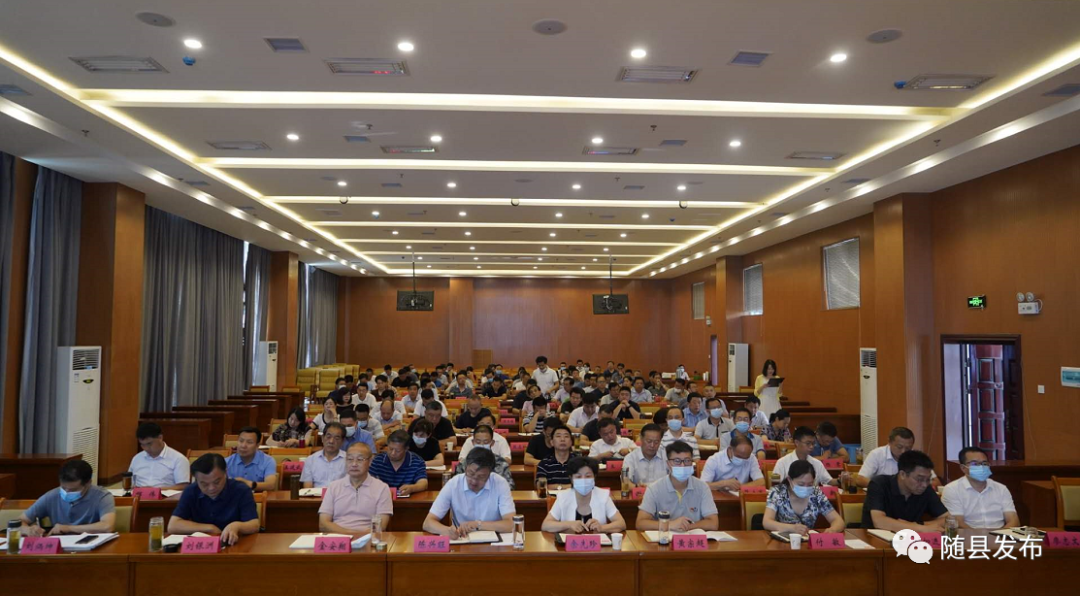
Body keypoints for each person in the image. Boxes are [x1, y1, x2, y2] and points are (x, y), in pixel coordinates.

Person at [168, 453, 260, 545]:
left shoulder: (241, 490)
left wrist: (237, 526)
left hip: (235, 544)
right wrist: (209, 528)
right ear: (195, 479)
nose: (211, 488)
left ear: (225, 473)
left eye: (217, 482)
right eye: (204, 484)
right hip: (203, 546)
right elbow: (173, 525)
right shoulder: (191, 491)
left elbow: (254, 524)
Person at [423, 448, 516, 537]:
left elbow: (511, 524)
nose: (474, 481)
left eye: (481, 477)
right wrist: (447, 531)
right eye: (470, 473)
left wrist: (478, 524)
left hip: (494, 541)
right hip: (462, 539)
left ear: (490, 473)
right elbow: (428, 523)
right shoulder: (453, 484)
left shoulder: (500, 483)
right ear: (465, 467)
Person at [637, 441, 719, 531]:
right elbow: (641, 523)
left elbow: (713, 523)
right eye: (677, 461)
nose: (682, 465)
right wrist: (670, 525)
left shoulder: (702, 487)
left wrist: (685, 526)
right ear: (668, 464)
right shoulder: (654, 488)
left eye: (687, 460)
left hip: (692, 537)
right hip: (665, 537)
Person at [19, 460, 114, 536]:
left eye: (73, 490)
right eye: (63, 488)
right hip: (60, 547)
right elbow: (20, 521)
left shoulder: (102, 496)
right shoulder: (51, 496)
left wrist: (68, 528)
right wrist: (27, 529)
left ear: (88, 483)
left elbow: (107, 526)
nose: (67, 492)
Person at [316, 442, 394, 535]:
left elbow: (381, 525)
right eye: (350, 459)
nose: (354, 464)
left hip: (367, 539)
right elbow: (323, 524)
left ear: (370, 461)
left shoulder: (382, 488)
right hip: (338, 538)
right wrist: (351, 534)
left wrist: (359, 537)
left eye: (360, 459)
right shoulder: (334, 487)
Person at [863, 450, 948, 531]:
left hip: (911, 538)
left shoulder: (926, 489)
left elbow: (948, 518)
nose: (924, 484)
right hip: (873, 538)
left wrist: (919, 525)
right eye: (919, 479)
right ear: (902, 474)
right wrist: (920, 528)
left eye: (928, 479)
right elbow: (879, 521)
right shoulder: (879, 484)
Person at [542, 457, 627, 534]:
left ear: (594, 477)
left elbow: (621, 523)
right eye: (578, 477)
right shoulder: (563, 496)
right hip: (569, 545)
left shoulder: (603, 495)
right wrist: (569, 524)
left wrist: (602, 528)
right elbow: (546, 525)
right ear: (571, 478)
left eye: (588, 476)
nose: (583, 480)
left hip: (597, 545)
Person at [941, 447, 1019, 529]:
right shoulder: (952, 489)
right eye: (975, 464)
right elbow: (958, 523)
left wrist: (1000, 535)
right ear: (963, 468)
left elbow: (1014, 521)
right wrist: (981, 536)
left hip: (1000, 533)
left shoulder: (1001, 489)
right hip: (968, 535)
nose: (981, 467)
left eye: (984, 463)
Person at [763, 459, 845, 534]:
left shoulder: (816, 493)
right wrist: (792, 528)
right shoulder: (778, 491)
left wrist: (833, 530)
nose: (805, 488)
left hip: (808, 541)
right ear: (789, 480)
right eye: (801, 484)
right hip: (782, 541)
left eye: (810, 484)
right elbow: (767, 522)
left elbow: (838, 520)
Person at [856, 427, 939, 489]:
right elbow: (860, 479)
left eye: (908, 448)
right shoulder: (877, 454)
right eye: (899, 447)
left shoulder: (916, 457)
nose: (903, 451)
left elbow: (936, 483)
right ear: (889, 442)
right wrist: (887, 488)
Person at [774, 427, 844, 486]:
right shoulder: (782, 462)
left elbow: (829, 481)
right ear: (797, 442)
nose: (811, 447)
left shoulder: (817, 463)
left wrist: (840, 480)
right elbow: (775, 485)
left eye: (813, 443)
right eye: (808, 443)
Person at [129, 422, 190, 489]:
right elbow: (130, 484)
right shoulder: (137, 458)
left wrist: (155, 490)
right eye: (142, 444)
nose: (146, 448)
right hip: (138, 494)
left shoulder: (179, 459)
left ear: (160, 437)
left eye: (149, 444)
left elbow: (183, 486)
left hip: (165, 495)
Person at [369, 430, 429, 496]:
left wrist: (412, 488)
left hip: (408, 500)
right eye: (390, 449)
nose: (393, 453)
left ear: (406, 449)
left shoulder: (417, 461)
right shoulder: (378, 460)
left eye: (397, 451)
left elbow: (423, 483)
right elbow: (368, 481)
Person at [225, 427, 278, 492]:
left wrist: (250, 484)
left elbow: (271, 485)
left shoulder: (268, 461)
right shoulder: (226, 462)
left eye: (249, 442)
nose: (243, 445)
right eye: (241, 441)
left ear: (257, 445)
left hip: (258, 497)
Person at [301, 422, 347, 488]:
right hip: (316, 494)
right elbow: (307, 488)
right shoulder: (310, 460)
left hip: (340, 494)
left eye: (336, 438)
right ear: (322, 438)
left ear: (342, 441)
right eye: (328, 437)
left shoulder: (348, 460)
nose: (331, 441)